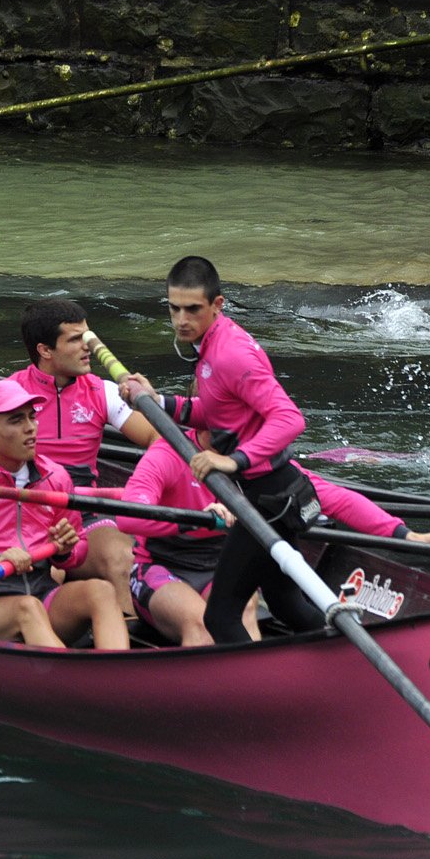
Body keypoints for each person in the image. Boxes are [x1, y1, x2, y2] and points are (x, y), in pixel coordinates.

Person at [118, 256, 325, 644]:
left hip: (264, 496)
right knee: (285, 603)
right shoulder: (210, 347)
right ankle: (342, 656)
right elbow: (210, 413)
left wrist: (234, 459)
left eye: (193, 309)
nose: (181, 319)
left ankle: (260, 693)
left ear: (218, 305)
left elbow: (289, 418)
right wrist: (154, 400)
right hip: (270, 493)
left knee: (221, 616)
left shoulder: (231, 354)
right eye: (174, 308)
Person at [118, 429, 430, 646]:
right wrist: (192, 521)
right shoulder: (168, 453)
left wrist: (408, 535)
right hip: (163, 568)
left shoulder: (257, 461)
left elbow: (334, 498)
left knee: (244, 609)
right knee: (199, 620)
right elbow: (129, 514)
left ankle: (254, 693)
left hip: (219, 567)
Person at [0, 380, 129, 649]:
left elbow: (77, 554)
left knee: (101, 591)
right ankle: (75, 683)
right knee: (26, 609)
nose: (30, 428)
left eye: (31, 417)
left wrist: (65, 551)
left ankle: (113, 677)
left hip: (41, 592)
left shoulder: (56, 477)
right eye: (16, 420)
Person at [10, 298, 157, 615]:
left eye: (88, 336)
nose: (89, 347)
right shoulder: (10, 396)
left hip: (85, 511)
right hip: (24, 511)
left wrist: (147, 490)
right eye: (76, 339)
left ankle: (132, 644)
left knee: (121, 560)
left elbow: (158, 441)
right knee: (42, 578)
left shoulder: (102, 391)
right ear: (45, 350)